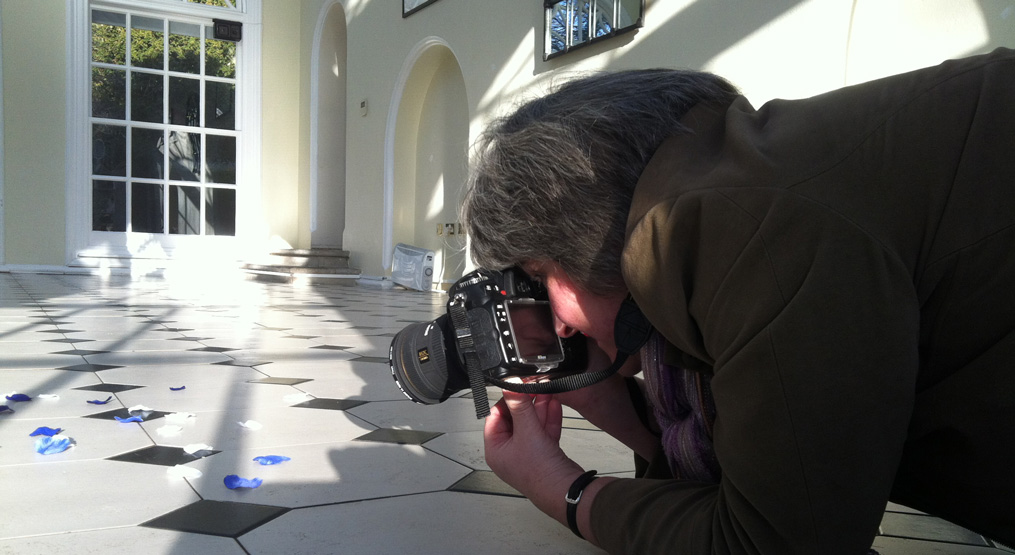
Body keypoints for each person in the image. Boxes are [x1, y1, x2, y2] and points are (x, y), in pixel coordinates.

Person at [461, 48, 1015, 554]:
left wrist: (561, 487)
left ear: (580, 236)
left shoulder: (733, 228)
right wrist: (615, 409)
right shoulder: (735, 174)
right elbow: (771, 453)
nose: (557, 328)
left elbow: (774, 541)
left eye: (539, 276)